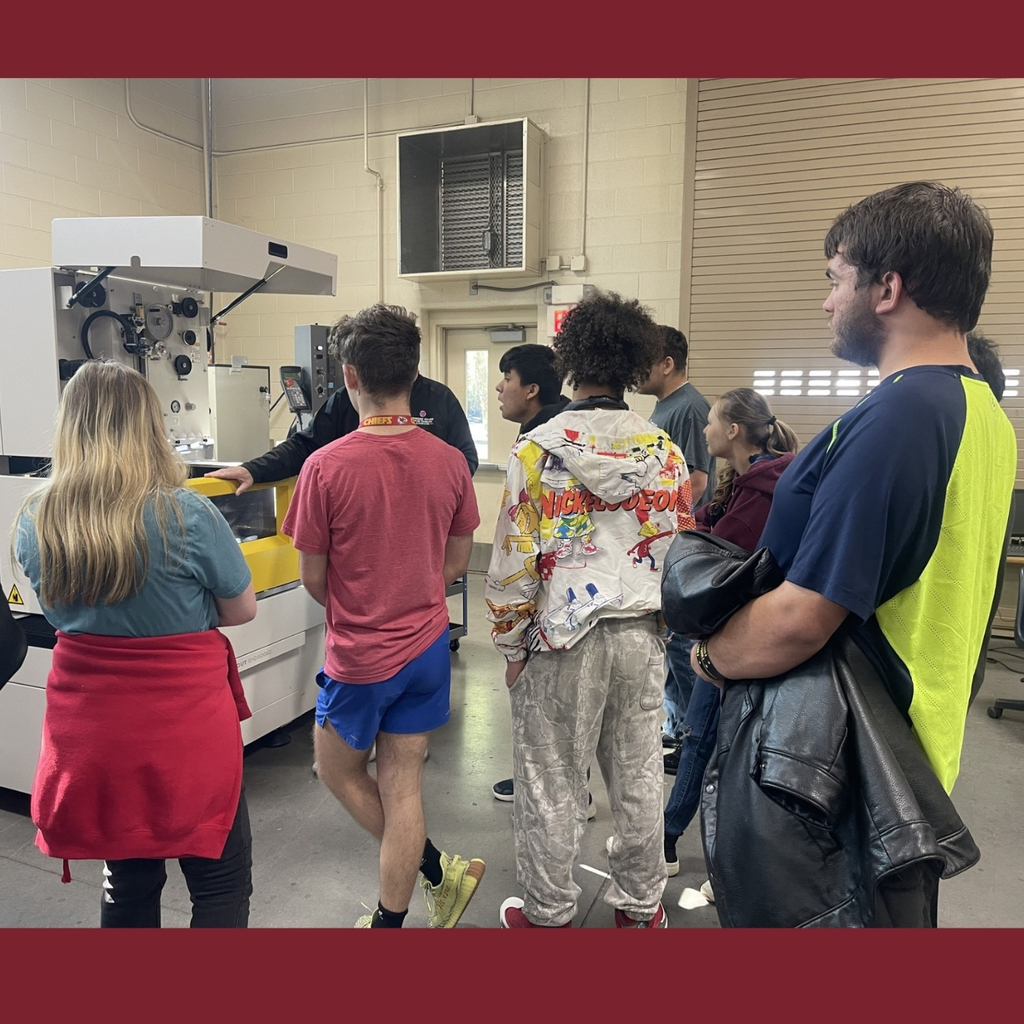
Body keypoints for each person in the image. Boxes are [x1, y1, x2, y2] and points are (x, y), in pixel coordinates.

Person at [690, 182, 1016, 926]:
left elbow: (804, 617)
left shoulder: (901, 413)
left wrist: (708, 657)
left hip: (841, 767)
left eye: (835, 279)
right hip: (909, 747)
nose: (827, 302)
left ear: (888, 287)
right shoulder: (979, 413)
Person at [14, 360, 257, 928]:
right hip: (185, 726)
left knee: (128, 880)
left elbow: (56, 612)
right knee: (220, 880)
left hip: (94, 731)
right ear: (149, 425)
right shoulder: (187, 514)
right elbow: (241, 609)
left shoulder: (36, 519)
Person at [486, 291, 694, 929]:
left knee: (549, 779)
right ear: (635, 361)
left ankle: (547, 913)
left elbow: (515, 561)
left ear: (569, 361)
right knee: (636, 774)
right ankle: (640, 908)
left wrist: (511, 645)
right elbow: (679, 551)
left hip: (561, 639)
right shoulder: (664, 452)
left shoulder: (538, 451)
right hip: (642, 635)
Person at [281, 304, 484, 929]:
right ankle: (417, 898)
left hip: (361, 656)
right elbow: (457, 560)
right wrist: (412, 590)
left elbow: (314, 578)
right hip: (426, 648)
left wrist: (363, 604)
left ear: (349, 377)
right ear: (413, 376)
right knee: (403, 787)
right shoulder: (450, 462)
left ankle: (432, 874)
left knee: (333, 769)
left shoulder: (325, 467)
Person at [658, 388, 797, 894]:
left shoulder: (764, 492)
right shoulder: (753, 481)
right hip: (743, 636)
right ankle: (685, 847)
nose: (705, 431)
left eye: (712, 422)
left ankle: (687, 849)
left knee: (711, 745)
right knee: (711, 743)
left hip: (742, 638)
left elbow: (725, 565)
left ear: (735, 430)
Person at [489, 343, 572, 806]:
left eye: (508, 378)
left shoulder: (536, 444)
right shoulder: (568, 430)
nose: (500, 388)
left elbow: (519, 544)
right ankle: (574, 789)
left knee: (541, 703)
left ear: (533, 389)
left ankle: (547, 789)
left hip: (546, 601)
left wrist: (509, 637)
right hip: (587, 598)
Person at [205, 360, 478, 494]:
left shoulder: (440, 399)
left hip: (425, 530)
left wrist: (423, 493)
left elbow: (465, 462)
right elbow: (306, 445)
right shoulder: (349, 398)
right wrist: (254, 469)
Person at [636, 325, 715, 756]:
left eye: (645, 361)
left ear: (667, 364)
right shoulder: (664, 408)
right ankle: (675, 725)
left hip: (676, 543)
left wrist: (663, 533)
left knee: (682, 640)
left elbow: (697, 482)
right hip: (660, 542)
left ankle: (689, 735)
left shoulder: (689, 408)